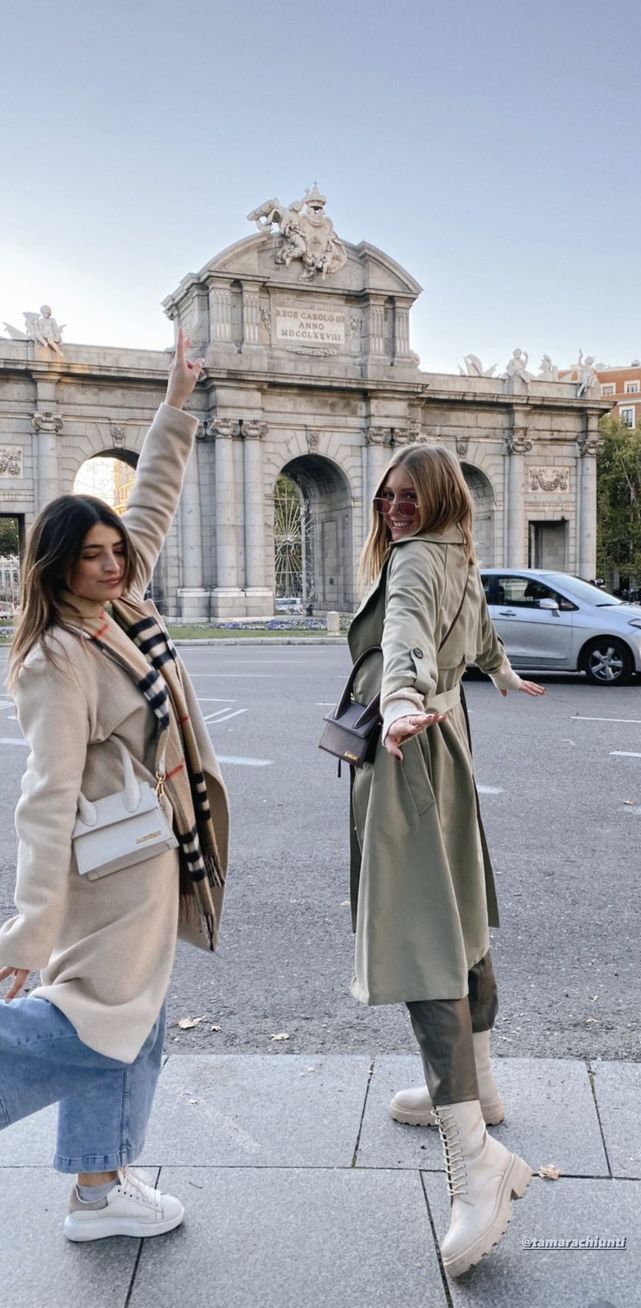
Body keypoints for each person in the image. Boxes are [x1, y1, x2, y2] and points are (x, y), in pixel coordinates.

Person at [0, 330, 229, 1242]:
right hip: (112, 868)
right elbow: (44, 796)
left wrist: (176, 402)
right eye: (93, 554)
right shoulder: (58, 655)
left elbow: (157, 499)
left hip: (147, 853)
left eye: (114, 549)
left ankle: (99, 1191)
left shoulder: (122, 607)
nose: (113, 561)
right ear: (56, 567)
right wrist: (27, 927)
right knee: (99, 1021)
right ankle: (101, 1189)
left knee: (132, 1016)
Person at [346, 444, 545, 1278]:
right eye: (387, 496)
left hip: (408, 760)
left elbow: (405, 641)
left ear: (437, 499)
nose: (394, 507)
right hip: (446, 751)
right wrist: (498, 668)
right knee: (459, 924)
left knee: (421, 943)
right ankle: (481, 1087)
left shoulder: (418, 561)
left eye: (408, 495)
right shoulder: (456, 552)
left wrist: (395, 701)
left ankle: (477, 1159)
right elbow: (477, 625)